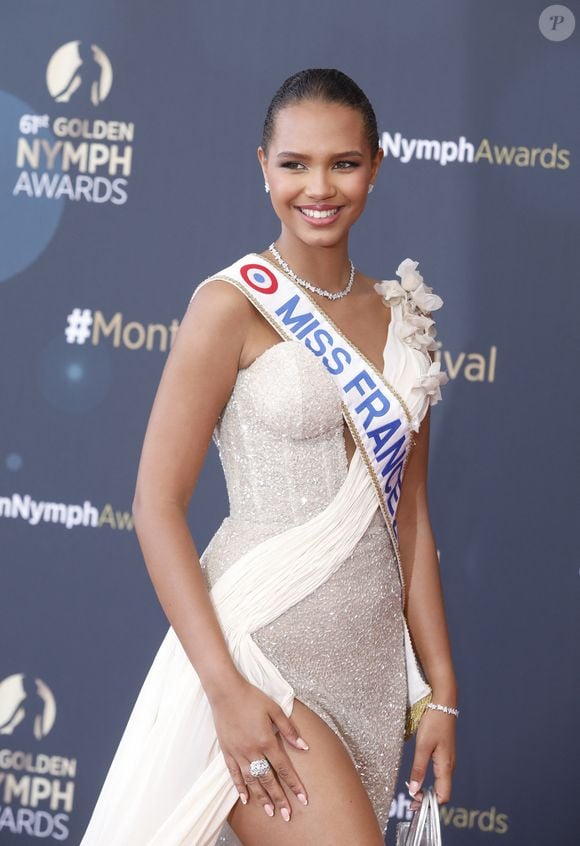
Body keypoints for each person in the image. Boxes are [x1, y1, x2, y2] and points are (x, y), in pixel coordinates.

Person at [80, 68, 458, 846]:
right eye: (295, 164)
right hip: (257, 656)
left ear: (376, 165)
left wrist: (442, 688)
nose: (318, 187)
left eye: (343, 163)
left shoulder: (403, 319)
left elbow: (409, 518)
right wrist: (222, 690)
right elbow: (154, 506)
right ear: (263, 166)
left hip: (369, 672)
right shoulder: (230, 305)